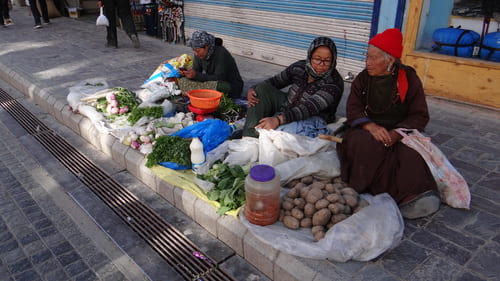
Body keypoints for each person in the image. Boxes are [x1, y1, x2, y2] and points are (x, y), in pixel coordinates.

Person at [336, 28, 440, 219]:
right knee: (363, 144)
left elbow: (419, 115)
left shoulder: (409, 79)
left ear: (390, 60)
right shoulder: (363, 79)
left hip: (399, 129)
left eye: (373, 58)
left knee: (410, 155)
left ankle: (413, 197)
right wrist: (370, 126)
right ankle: (363, 189)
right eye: (367, 57)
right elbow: (353, 109)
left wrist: (397, 133)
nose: (367, 62)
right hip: (368, 128)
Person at [241, 36, 344, 138]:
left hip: (312, 117)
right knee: (261, 89)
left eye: (327, 61)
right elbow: (275, 81)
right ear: (310, 56)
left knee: (284, 135)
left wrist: (278, 120)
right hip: (288, 104)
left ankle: (259, 132)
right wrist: (253, 88)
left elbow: (308, 108)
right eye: (317, 59)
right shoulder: (299, 67)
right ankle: (250, 133)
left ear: (333, 60)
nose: (321, 64)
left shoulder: (334, 83)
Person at [178, 30, 243, 99]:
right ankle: (201, 92)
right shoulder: (199, 54)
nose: (196, 54)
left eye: (198, 51)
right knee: (182, 81)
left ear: (206, 46)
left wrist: (196, 75)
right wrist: (187, 74)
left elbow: (219, 78)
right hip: (210, 82)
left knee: (218, 86)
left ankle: (198, 91)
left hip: (228, 85)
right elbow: (196, 70)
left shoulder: (221, 54)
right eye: (194, 51)